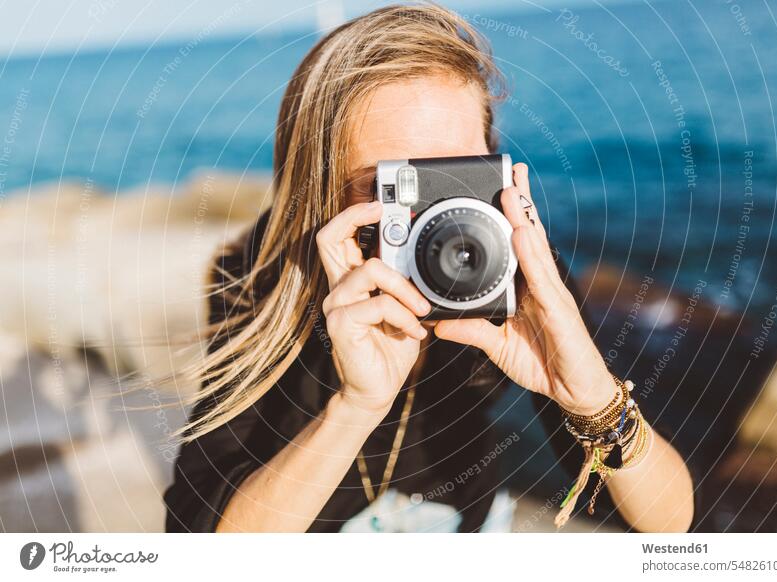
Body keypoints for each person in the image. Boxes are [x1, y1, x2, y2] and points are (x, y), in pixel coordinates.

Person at [163, 4, 694, 533]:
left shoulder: (514, 272)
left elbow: (666, 522)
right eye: (397, 186)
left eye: (457, 175)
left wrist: (591, 397)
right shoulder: (260, 275)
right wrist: (355, 407)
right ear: (321, 188)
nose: (437, 220)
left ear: (493, 160)